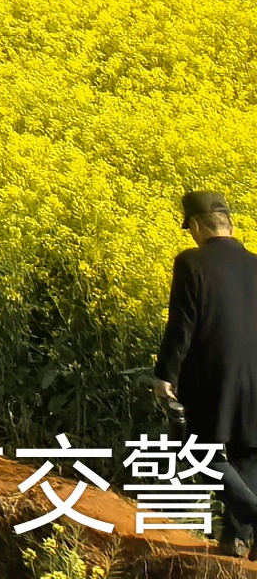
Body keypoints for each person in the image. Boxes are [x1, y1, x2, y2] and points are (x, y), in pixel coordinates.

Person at [156, 189, 257, 545]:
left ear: (197, 225)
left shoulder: (191, 262)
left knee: (197, 452)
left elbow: (182, 324)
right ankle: (236, 540)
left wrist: (165, 375)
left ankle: (252, 515)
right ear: (230, 224)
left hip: (212, 375)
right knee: (247, 453)